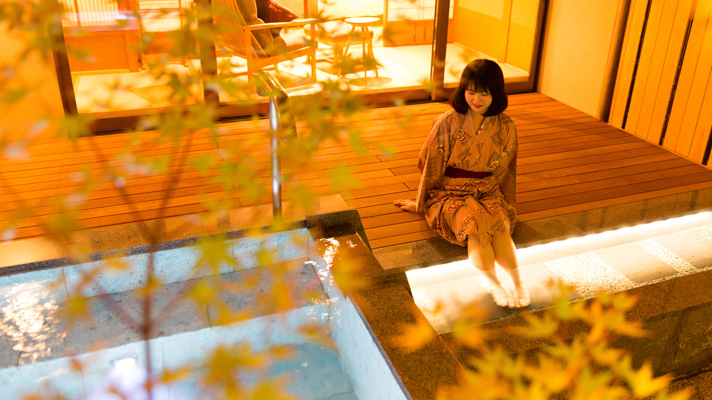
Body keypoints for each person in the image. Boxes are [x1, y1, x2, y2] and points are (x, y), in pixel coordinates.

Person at [393, 59, 530, 308]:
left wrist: (492, 191)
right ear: (463, 90)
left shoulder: (506, 126)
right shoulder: (447, 121)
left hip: (487, 191)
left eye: (484, 93)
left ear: (495, 93)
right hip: (448, 193)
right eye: (471, 91)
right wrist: (421, 202)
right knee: (475, 226)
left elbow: (505, 169)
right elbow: (430, 162)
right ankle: (495, 285)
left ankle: (518, 283)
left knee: (499, 227)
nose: (476, 99)